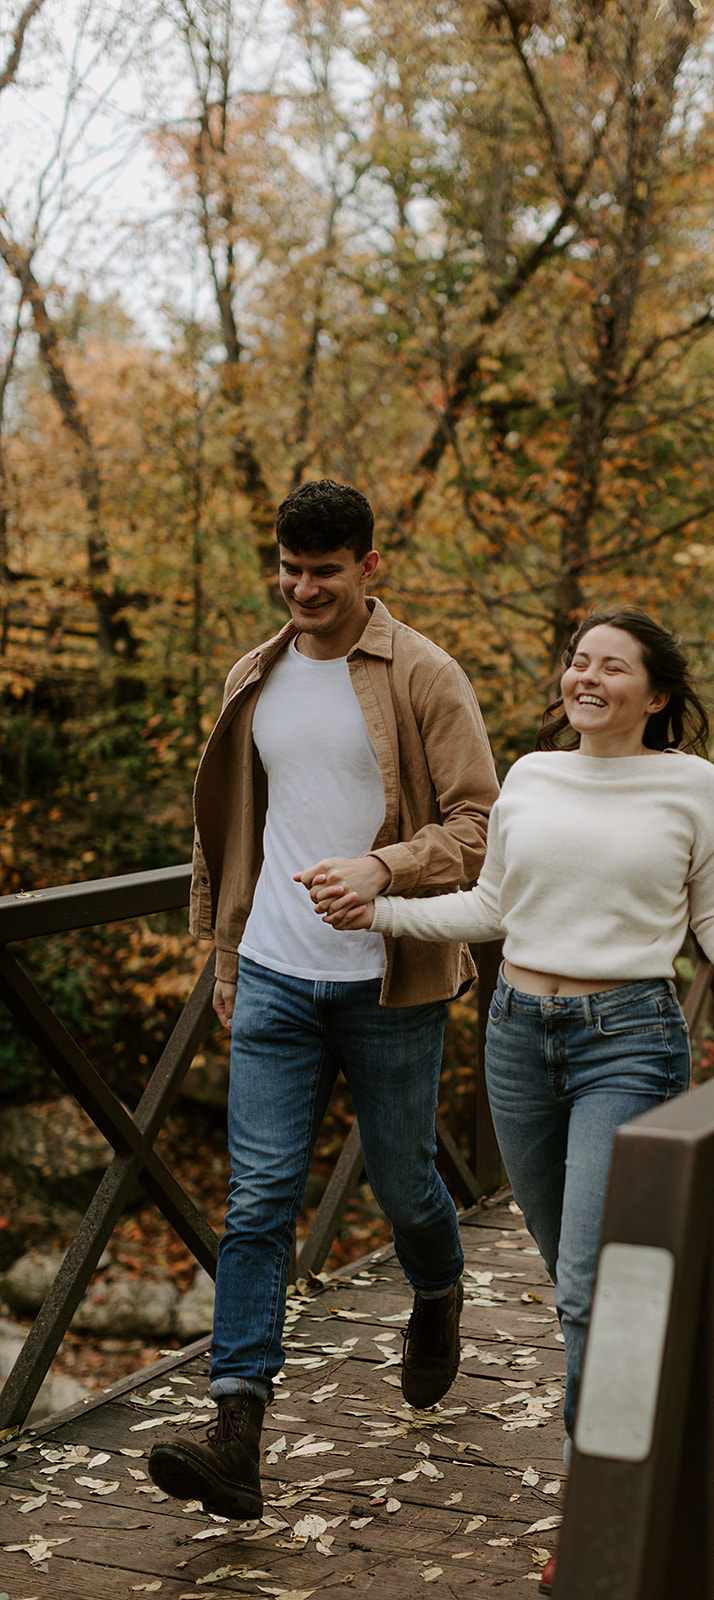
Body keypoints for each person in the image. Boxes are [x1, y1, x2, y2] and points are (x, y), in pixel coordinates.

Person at [298, 606, 714, 1584]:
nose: (586, 678)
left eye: (610, 668)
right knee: (583, 1276)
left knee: (583, 1284)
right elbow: (494, 909)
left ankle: (595, 1516)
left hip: (628, 1040)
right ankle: (632, 1429)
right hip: (518, 1040)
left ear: (653, 695)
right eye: (577, 662)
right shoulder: (531, 775)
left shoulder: (690, 785)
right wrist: (383, 909)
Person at [148, 478, 499, 1521]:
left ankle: (435, 1288)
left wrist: (385, 869)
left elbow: (483, 827)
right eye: (290, 570)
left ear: (368, 568)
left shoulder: (424, 674)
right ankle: (236, 1426)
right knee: (256, 1198)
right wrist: (223, 954)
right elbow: (225, 833)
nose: (302, 589)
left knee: (404, 1190)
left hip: (389, 982)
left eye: (324, 572)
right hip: (272, 973)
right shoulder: (251, 675)